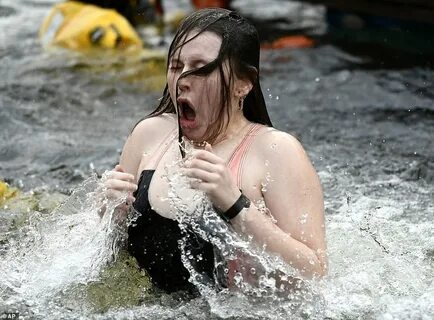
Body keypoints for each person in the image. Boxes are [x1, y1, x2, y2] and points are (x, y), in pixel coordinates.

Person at [102, 8, 327, 294]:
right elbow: (111, 268)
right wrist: (110, 217)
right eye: (175, 66)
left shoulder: (276, 152)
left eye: (201, 67)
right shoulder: (149, 136)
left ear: (243, 83)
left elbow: (315, 273)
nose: (183, 78)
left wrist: (235, 206)